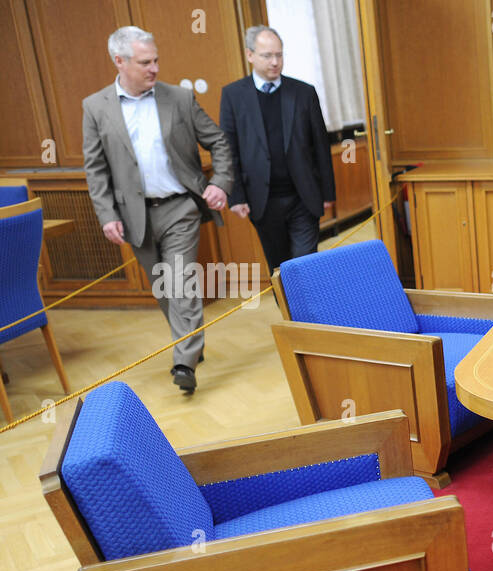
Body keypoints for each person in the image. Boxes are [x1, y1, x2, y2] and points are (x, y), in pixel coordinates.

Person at [82, 26, 233, 394]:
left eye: (156, 60)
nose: (154, 68)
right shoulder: (95, 107)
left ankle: (184, 361)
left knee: (180, 281)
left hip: (180, 206)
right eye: (145, 62)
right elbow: (95, 168)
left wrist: (220, 183)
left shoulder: (179, 98)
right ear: (120, 62)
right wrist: (107, 214)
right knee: (163, 289)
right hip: (134, 216)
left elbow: (219, 141)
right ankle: (190, 342)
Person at [219, 25, 335, 271]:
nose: (275, 62)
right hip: (262, 200)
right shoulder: (233, 95)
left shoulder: (304, 93)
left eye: (279, 55)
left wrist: (327, 193)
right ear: (250, 55)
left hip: (303, 196)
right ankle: (290, 311)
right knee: (279, 268)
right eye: (267, 55)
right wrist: (236, 195)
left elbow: (320, 146)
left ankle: (308, 311)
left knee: (305, 263)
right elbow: (229, 150)